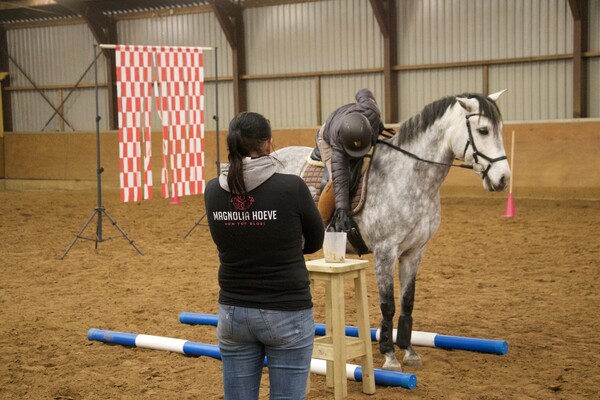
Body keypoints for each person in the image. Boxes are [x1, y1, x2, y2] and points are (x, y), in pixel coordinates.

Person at [204, 111, 325, 400]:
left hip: (233, 311)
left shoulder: (212, 191)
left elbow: (226, 242)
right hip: (286, 310)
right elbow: (315, 241)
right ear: (268, 144)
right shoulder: (291, 187)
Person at [316, 88, 382, 234]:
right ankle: (324, 225)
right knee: (336, 179)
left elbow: (363, 92)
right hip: (327, 135)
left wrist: (379, 125)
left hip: (350, 120)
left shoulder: (372, 112)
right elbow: (340, 176)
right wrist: (341, 209)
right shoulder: (337, 140)